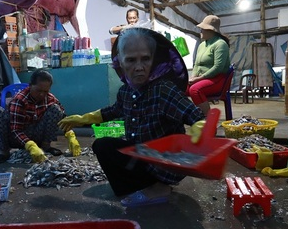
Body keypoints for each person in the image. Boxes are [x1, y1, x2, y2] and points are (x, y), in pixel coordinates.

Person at [58, 28, 206, 207]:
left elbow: (195, 116)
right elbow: (113, 111)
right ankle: (142, 186)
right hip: (142, 155)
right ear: (119, 62)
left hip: (165, 162)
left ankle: (159, 188)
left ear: (153, 59)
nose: (139, 67)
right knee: (103, 146)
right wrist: (82, 119)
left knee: (119, 153)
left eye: (145, 59)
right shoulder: (126, 91)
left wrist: (200, 128)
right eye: (130, 60)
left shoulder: (163, 90)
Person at [0, 69, 66, 165]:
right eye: (38, 90)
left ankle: (46, 146)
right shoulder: (20, 100)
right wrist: (30, 145)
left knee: (56, 109)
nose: (42, 94)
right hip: (16, 138)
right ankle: (4, 152)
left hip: (37, 136)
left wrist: (69, 132)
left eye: (45, 91)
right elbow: (16, 130)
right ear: (30, 86)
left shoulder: (49, 98)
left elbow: (63, 115)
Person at [187, 15, 231, 116]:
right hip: (201, 78)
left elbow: (218, 67)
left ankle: (208, 123)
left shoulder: (220, 44)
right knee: (179, 87)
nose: (201, 31)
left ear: (211, 30)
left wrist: (198, 79)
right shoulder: (202, 45)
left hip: (217, 79)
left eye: (203, 29)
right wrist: (193, 76)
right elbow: (196, 64)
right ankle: (186, 118)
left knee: (195, 90)